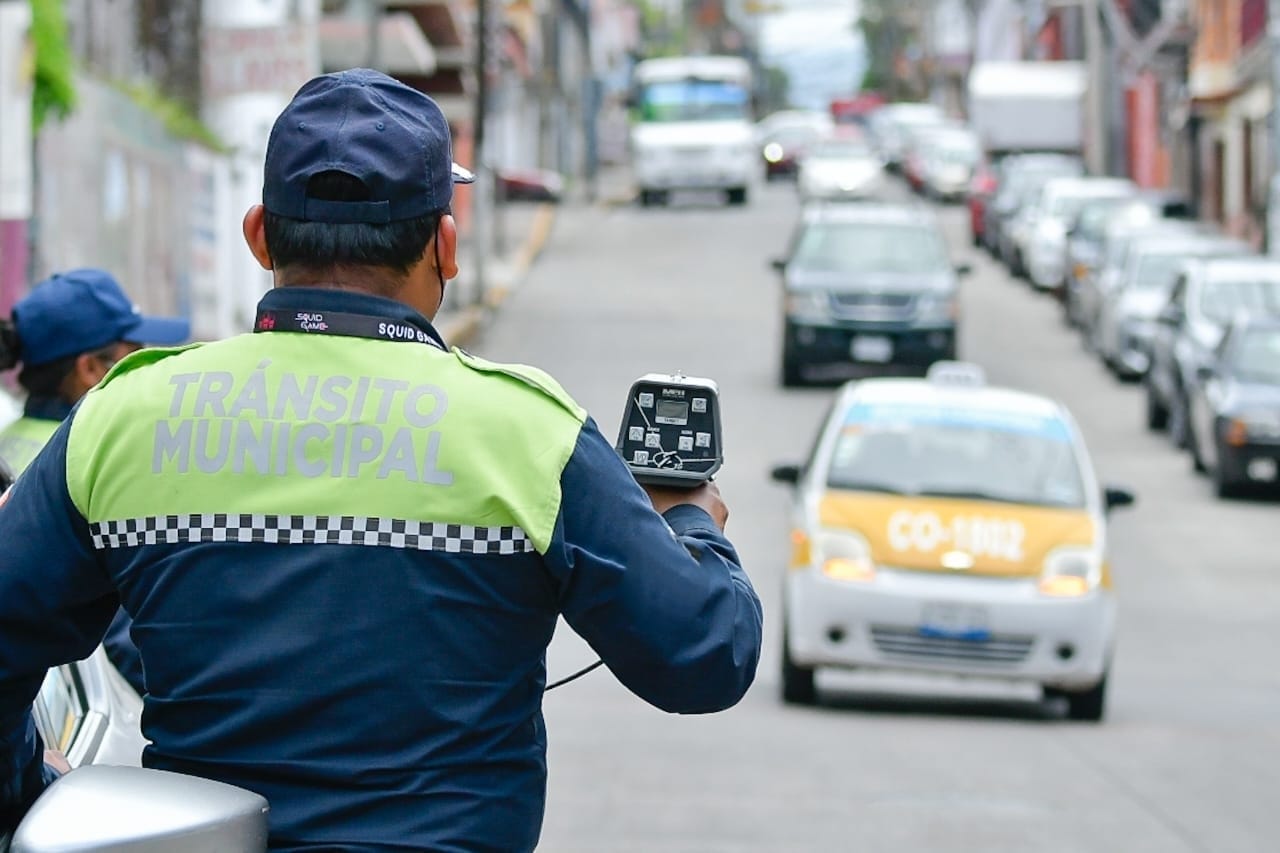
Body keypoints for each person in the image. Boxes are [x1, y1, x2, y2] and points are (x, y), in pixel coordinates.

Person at [0, 68, 762, 851]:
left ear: (259, 233)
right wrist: (694, 524)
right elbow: (703, 656)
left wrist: (33, 796)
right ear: (446, 245)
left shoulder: (121, 417)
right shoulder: (531, 432)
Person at [0, 268, 190, 698]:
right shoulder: (91, 465)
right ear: (90, 368)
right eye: (135, 350)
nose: (148, 361)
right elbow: (134, 644)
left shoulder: (8, 445)